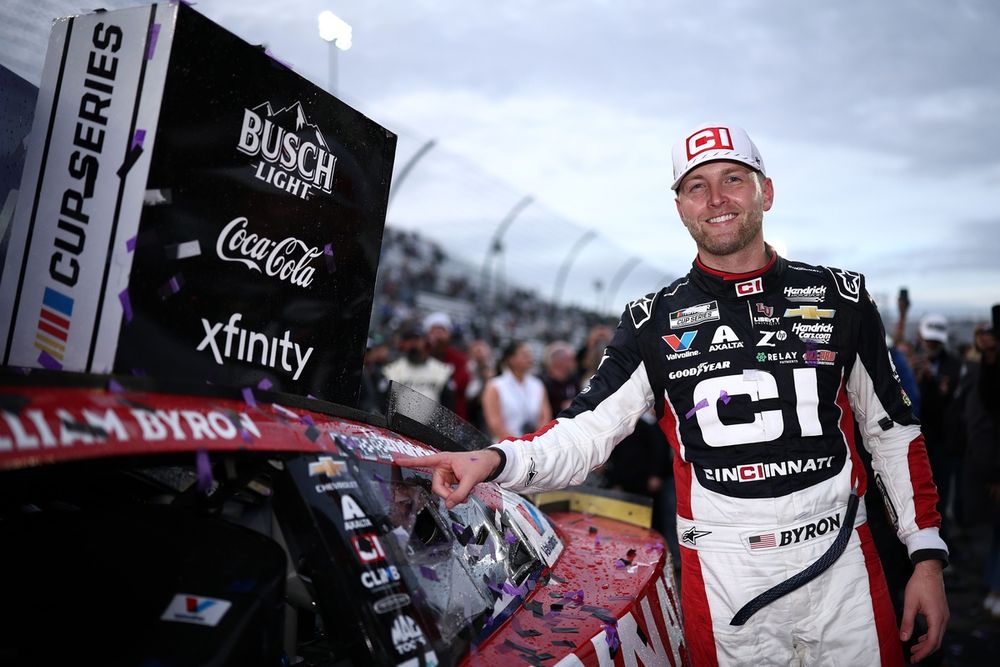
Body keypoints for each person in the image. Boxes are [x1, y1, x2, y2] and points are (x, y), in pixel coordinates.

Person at [397, 123, 948, 666]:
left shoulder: (840, 296)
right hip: (724, 578)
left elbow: (893, 433)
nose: (715, 199)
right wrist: (496, 459)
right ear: (681, 207)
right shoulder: (649, 321)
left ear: (767, 191)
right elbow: (585, 433)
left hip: (843, 566)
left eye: (734, 178)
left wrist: (925, 556)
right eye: (695, 186)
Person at [481, 340, 551, 441]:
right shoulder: (495, 386)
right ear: (511, 359)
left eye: (530, 355)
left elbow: (545, 416)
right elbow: (495, 424)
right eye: (525, 355)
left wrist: (535, 439)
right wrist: (517, 444)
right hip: (505, 445)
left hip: (535, 444)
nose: (530, 359)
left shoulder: (537, 384)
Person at [382, 323, 455, 409]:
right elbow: (384, 403)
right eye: (409, 339)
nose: (413, 343)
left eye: (417, 339)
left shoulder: (441, 370)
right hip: (397, 421)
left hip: (433, 421)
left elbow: (448, 405)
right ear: (403, 344)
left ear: (425, 341)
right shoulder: (392, 370)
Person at [424, 312, 471, 420]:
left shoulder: (459, 359)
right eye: (435, 330)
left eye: (442, 330)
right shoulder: (420, 354)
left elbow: (461, 385)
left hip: (452, 418)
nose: (439, 334)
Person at [540, 341, 580, 417]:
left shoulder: (573, 380)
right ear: (559, 361)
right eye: (571, 359)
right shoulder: (543, 382)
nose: (575, 363)